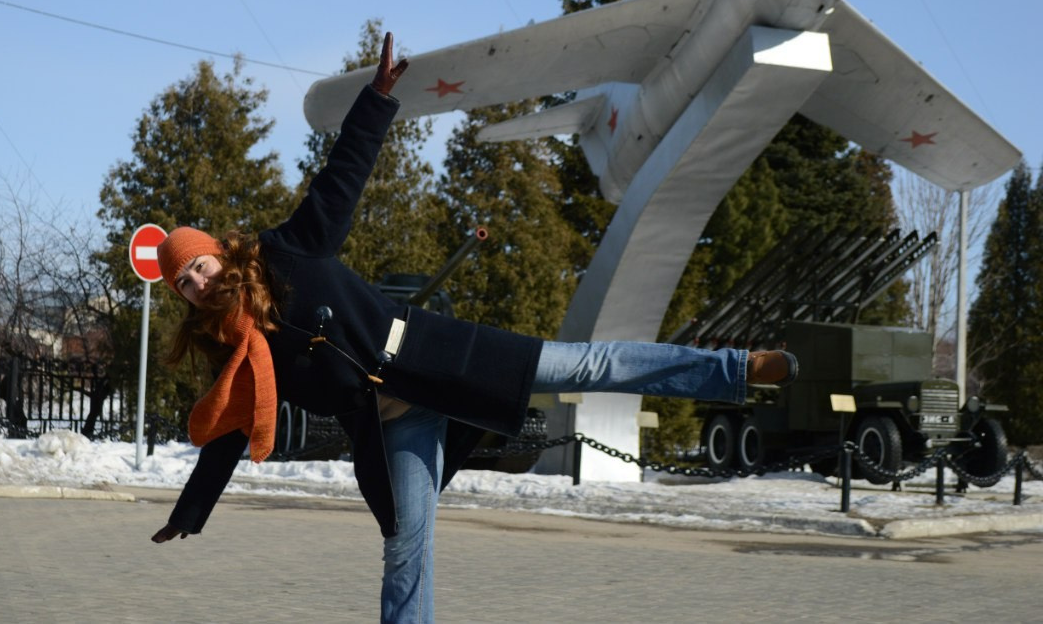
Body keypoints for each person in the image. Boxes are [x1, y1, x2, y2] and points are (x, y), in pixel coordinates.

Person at [149, 32, 797, 623]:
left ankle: (733, 369)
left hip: (443, 357)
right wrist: (191, 510)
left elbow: (339, 179)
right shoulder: (231, 347)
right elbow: (230, 428)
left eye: (199, 267)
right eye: (185, 283)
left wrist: (376, 98)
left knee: (585, 367)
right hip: (390, 421)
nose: (198, 282)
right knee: (407, 546)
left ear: (218, 253)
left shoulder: (289, 250)